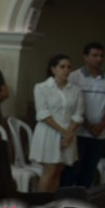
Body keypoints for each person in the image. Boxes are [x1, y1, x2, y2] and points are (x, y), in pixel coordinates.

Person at [64, 42, 105, 188]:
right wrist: (87, 125)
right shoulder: (74, 77)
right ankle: (65, 202)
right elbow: (72, 105)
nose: (99, 59)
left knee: (89, 170)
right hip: (78, 131)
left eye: (101, 56)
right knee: (72, 169)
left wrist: (102, 125)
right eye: (94, 55)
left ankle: (82, 203)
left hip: (99, 134)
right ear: (85, 57)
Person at [29, 55, 85, 192]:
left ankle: (51, 204)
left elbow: (78, 114)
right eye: (62, 67)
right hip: (50, 131)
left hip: (68, 132)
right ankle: (40, 205)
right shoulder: (42, 87)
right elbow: (43, 113)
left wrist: (69, 134)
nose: (66, 70)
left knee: (59, 170)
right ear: (53, 69)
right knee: (50, 169)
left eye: (68, 67)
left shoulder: (75, 90)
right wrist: (64, 133)